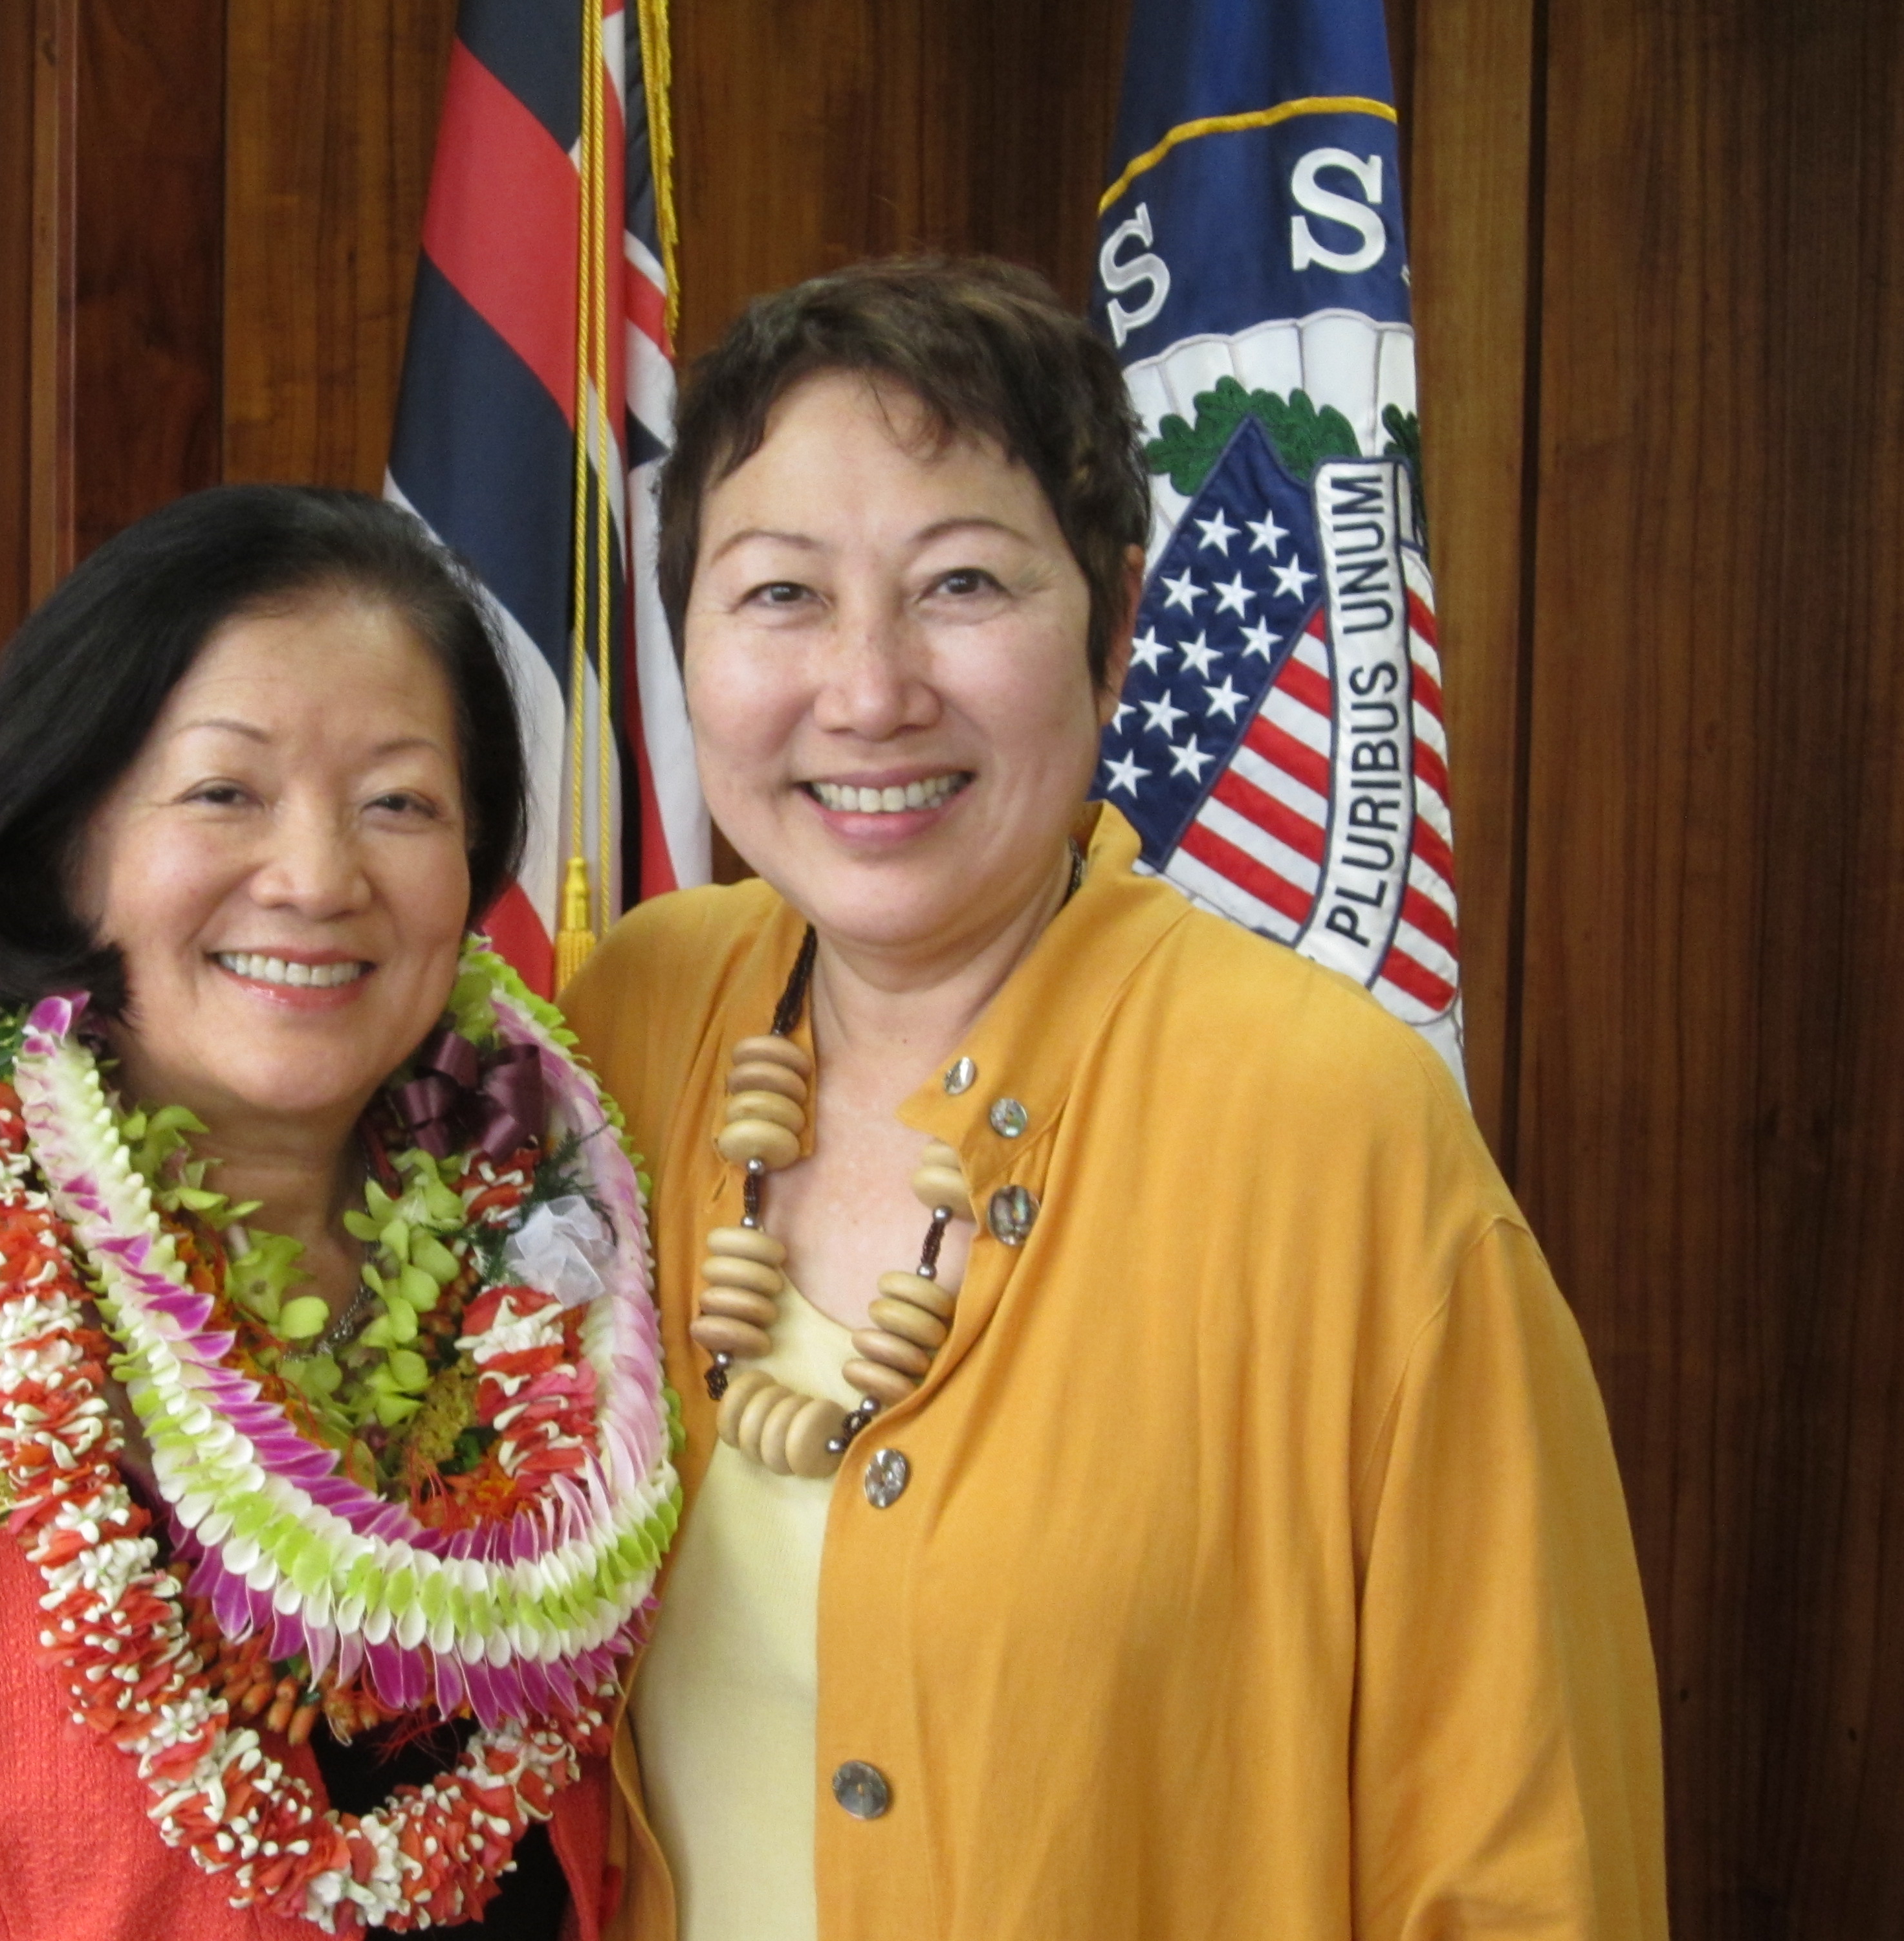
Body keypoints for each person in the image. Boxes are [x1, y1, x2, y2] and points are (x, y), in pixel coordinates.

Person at [560, 260, 1667, 1940]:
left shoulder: (1329, 1123)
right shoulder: (630, 1024)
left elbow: (1522, 1853)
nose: (868, 691)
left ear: (1120, 618)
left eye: (963, 586)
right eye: (781, 595)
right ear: (690, 640)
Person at [0, 486, 679, 1940]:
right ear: (74, 843)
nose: (316, 877)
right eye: (224, 792)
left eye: (398, 802)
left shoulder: (570, 1296)